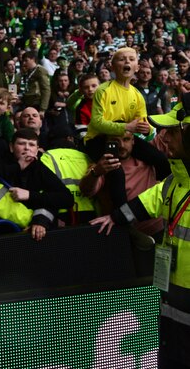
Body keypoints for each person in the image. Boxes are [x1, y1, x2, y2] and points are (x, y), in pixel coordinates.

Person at [90, 99, 190, 368]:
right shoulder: (174, 181)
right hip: (172, 301)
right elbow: (146, 203)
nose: (163, 137)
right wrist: (114, 217)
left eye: (172, 131)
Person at [84, 47, 170, 208]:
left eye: (131, 59)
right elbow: (96, 123)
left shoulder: (137, 95)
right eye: (122, 59)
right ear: (112, 66)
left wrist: (148, 129)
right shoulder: (103, 90)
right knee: (116, 172)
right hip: (99, 139)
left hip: (125, 138)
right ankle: (121, 217)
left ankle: (166, 198)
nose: (127, 62)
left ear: (137, 67)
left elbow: (145, 123)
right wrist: (126, 126)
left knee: (160, 160)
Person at [0, 128, 74, 241]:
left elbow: (67, 198)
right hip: (1, 232)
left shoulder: (40, 168)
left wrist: (29, 195)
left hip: (33, 231)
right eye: (21, 143)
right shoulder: (4, 162)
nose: (27, 148)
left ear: (37, 150)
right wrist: (18, 166)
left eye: (31, 145)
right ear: (11, 147)